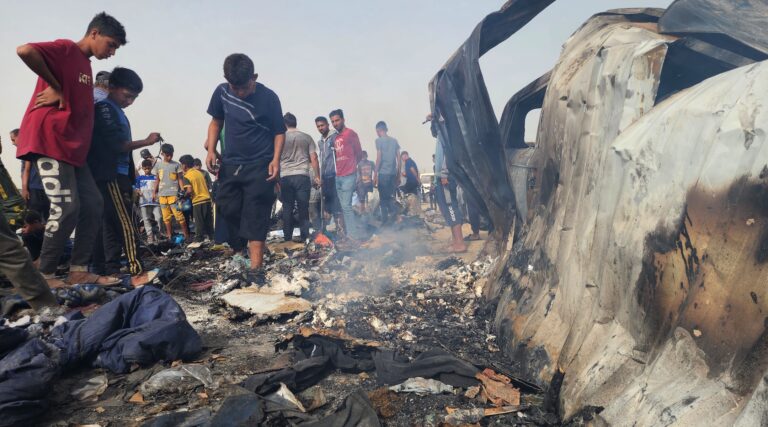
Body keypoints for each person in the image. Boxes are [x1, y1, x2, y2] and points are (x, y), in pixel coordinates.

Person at [15, 12, 127, 287]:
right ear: (94, 34)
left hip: (74, 152)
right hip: (51, 142)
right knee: (66, 207)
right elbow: (25, 50)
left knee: (93, 203)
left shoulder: (86, 67)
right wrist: (56, 86)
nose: (111, 52)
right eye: (111, 44)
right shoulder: (67, 49)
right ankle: (45, 273)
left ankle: (78, 269)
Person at [205, 53, 286, 285]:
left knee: (256, 213)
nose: (240, 92)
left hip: (260, 164)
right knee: (226, 206)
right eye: (235, 87)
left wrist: (276, 160)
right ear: (226, 80)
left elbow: (279, 131)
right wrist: (211, 150)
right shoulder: (221, 92)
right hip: (231, 165)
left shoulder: (269, 97)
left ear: (255, 77)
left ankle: (256, 269)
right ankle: (240, 247)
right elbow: (216, 122)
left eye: (245, 87)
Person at [88, 66, 159, 276]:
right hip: (110, 175)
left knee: (111, 224)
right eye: (127, 96)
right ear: (112, 87)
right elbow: (116, 145)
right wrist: (146, 141)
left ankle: (109, 268)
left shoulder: (117, 110)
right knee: (125, 223)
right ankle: (135, 267)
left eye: (134, 98)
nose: (130, 102)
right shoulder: (105, 109)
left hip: (119, 174)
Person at [429, 113, 467, 253]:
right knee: (446, 209)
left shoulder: (447, 133)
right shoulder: (440, 135)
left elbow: (448, 154)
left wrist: (445, 173)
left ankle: (460, 243)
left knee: (451, 208)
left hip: (446, 177)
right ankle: (455, 241)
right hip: (440, 177)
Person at [279, 112, 320, 242]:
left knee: (287, 207)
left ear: (284, 124)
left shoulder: (280, 138)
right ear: (295, 122)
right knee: (303, 207)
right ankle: (304, 236)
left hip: (285, 176)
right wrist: (317, 176)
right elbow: (314, 158)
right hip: (302, 176)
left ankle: (287, 237)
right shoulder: (306, 137)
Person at [329, 109, 363, 245]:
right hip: (339, 176)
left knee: (347, 206)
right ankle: (350, 234)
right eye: (332, 122)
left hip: (349, 175)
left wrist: (354, 169)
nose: (335, 123)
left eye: (337, 120)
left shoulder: (351, 134)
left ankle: (354, 236)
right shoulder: (335, 138)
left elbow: (359, 153)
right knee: (344, 207)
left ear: (343, 119)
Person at [153, 143, 190, 241]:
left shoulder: (176, 165)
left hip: (174, 195)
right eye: (167, 155)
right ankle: (169, 236)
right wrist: (154, 192)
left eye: (171, 155)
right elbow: (157, 180)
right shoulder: (158, 166)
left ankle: (187, 236)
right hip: (162, 195)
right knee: (166, 217)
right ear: (162, 154)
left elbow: (180, 179)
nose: (169, 157)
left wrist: (182, 190)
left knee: (179, 215)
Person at [12, 129, 51, 221]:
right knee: (38, 217)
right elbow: (25, 171)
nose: (13, 143)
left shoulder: (30, 148)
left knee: (41, 216)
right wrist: (24, 189)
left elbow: (26, 170)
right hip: (37, 188)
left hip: (38, 188)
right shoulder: (27, 150)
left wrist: (25, 189)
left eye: (13, 139)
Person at [315, 116, 343, 235]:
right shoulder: (320, 142)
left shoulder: (335, 136)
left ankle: (341, 231)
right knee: (327, 206)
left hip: (335, 175)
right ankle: (326, 233)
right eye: (318, 126)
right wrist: (320, 177)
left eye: (322, 125)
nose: (320, 128)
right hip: (325, 177)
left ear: (327, 125)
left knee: (337, 206)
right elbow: (322, 160)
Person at [179, 154, 214, 242]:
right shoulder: (199, 173)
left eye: (181, 164)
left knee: (199, 223)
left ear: (184, 165)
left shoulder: (187, 176)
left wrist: (183, 196)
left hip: (198, 201)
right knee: (209, 222)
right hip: (207, 199)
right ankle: (214, 240)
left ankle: (199, 240)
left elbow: (189, 190)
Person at [374, 121, 400, 224]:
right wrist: (398, 175)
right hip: (393, 174)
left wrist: (375, 174)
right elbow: (398, 158)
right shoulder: (394, 141)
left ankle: (386, 221)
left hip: (383, 174)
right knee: (391, 197)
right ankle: (395, 218)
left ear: (378, 130)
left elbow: (379, 158)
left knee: (383, 200)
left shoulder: (378, 141)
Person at [136, 159, 162, 243]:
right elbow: (136, 188)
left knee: (159, 217)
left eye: (148, 168)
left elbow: (159, 188)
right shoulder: (139, 178)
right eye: (145, 169)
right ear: (142, 169)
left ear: (151, 167)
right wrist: (138, 192)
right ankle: (149, 236)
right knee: (146, 219)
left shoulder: (155, 177)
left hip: (155, 201)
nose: (147, 170)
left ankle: (159, 233)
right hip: (143, 202)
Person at [400, 151, 421, 217]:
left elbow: (413, 170)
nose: (402, 159)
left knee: (403, 191)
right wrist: (404, 174)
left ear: (405, 155)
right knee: (414, 195)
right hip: (413, 181)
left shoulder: (408, 161)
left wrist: (417, 179)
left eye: (402, 157)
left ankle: (407, 210)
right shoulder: (411, 161)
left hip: (411, 181)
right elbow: (410, 173)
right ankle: (415, 211)